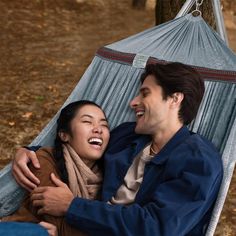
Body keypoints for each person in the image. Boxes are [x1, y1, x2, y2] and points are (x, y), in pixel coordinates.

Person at [11, 62, 223, 235]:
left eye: (145, 94)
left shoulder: (199, 160)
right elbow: (81, 146)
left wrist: (72, 206)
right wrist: (28, 150)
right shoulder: (127, 135)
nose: (133, 102)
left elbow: (158, 228)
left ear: (175, 99)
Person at [1, 100, 110, 236]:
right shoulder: (43, 160)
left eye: (104, 125)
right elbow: (61, 227)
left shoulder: (107, 180)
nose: (98, 129)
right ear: (64, 135)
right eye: (87, 122)